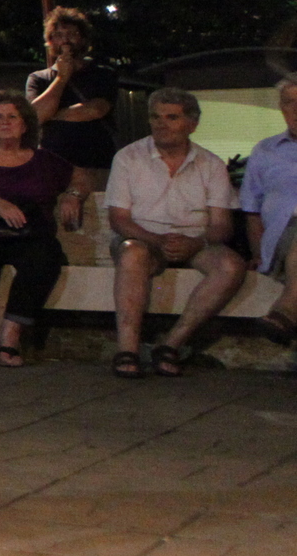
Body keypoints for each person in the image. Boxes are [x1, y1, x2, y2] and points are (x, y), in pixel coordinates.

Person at [107, 87, 242, 378]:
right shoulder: (128, 158)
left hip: (195, 240)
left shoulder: (211, 164)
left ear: (192, 124)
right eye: (156, 117)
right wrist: (157, 240)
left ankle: (171, 344)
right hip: (144, 238)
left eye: (171, 117)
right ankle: (127, 349)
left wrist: (197, 243)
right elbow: (118, 219)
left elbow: (222, 225)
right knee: (132, 253)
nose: (161, 124)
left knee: (231, 265)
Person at [0, 91, 87, 367]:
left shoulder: (44, 159)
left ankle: (10, 332)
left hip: (29, 233)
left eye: (13, 116)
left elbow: (80, 175)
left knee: (45, 260)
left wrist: (73, 195)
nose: (5, 121)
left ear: (25, 125)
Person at [28, 8, 118, 188]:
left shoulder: (103, 74)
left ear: (84, 39)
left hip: (96, 165)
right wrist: (61, 79)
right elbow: (35, 115)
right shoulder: (38, 78)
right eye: (59, 34)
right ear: (50, 41)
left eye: (72, 34)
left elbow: (95, 110)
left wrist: (52, 114)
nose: (65, 40)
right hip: (52, 167)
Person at [239, 78, 297, 347]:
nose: (296, 108)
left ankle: (285, 312)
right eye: (289, 102)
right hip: (282, 243)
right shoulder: (265, 151)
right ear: (281, 107)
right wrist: (257, 255)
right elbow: (252, 210)